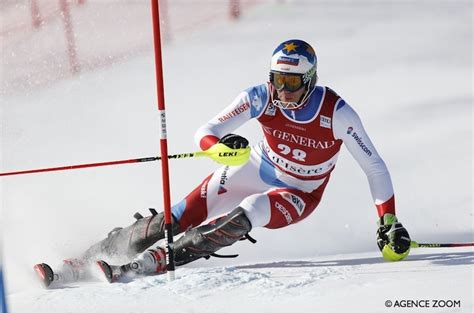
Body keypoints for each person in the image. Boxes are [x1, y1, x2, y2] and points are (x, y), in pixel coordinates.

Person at [34, 39, 411, 286]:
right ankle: (79, 263)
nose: (283, 91)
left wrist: (388, 221)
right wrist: (219, 148)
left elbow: (375, 167)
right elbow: (207, 130)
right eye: (278, 80)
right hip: (256, 167)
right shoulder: (261, 97)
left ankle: (154, 262)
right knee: (177, 215)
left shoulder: (337, 113)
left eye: (292, 83)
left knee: (252, 209)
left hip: (298, 192)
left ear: (310, 81)